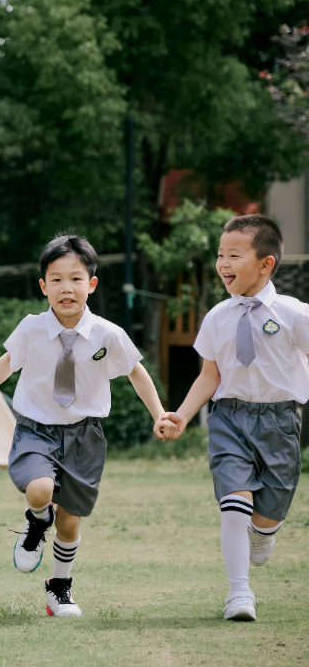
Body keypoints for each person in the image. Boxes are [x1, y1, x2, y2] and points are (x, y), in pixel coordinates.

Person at [0, 234, 170, 617]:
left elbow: (136, 372)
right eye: (56, 279)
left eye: (75, 278)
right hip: (36, 429)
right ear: (43, 286)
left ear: (92, 284)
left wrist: (159, 414)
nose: (66, 288)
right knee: (39, 490)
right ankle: (36, 522)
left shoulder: (107, 334)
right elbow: (6, 363)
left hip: (85, 436)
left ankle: (59, 589)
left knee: (70, 524)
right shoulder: (32, 328)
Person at [160, 215, 305, 622]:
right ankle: (239, 594)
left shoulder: (294, 314)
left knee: (268, 513)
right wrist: (183, 415)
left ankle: (264, 533)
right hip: (230, 420)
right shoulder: (217, 317)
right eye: (220, 254)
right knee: (233, 506)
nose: (223, 263)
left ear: (266, 264)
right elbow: (209, 375)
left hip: (279, 422)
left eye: (234, 255)